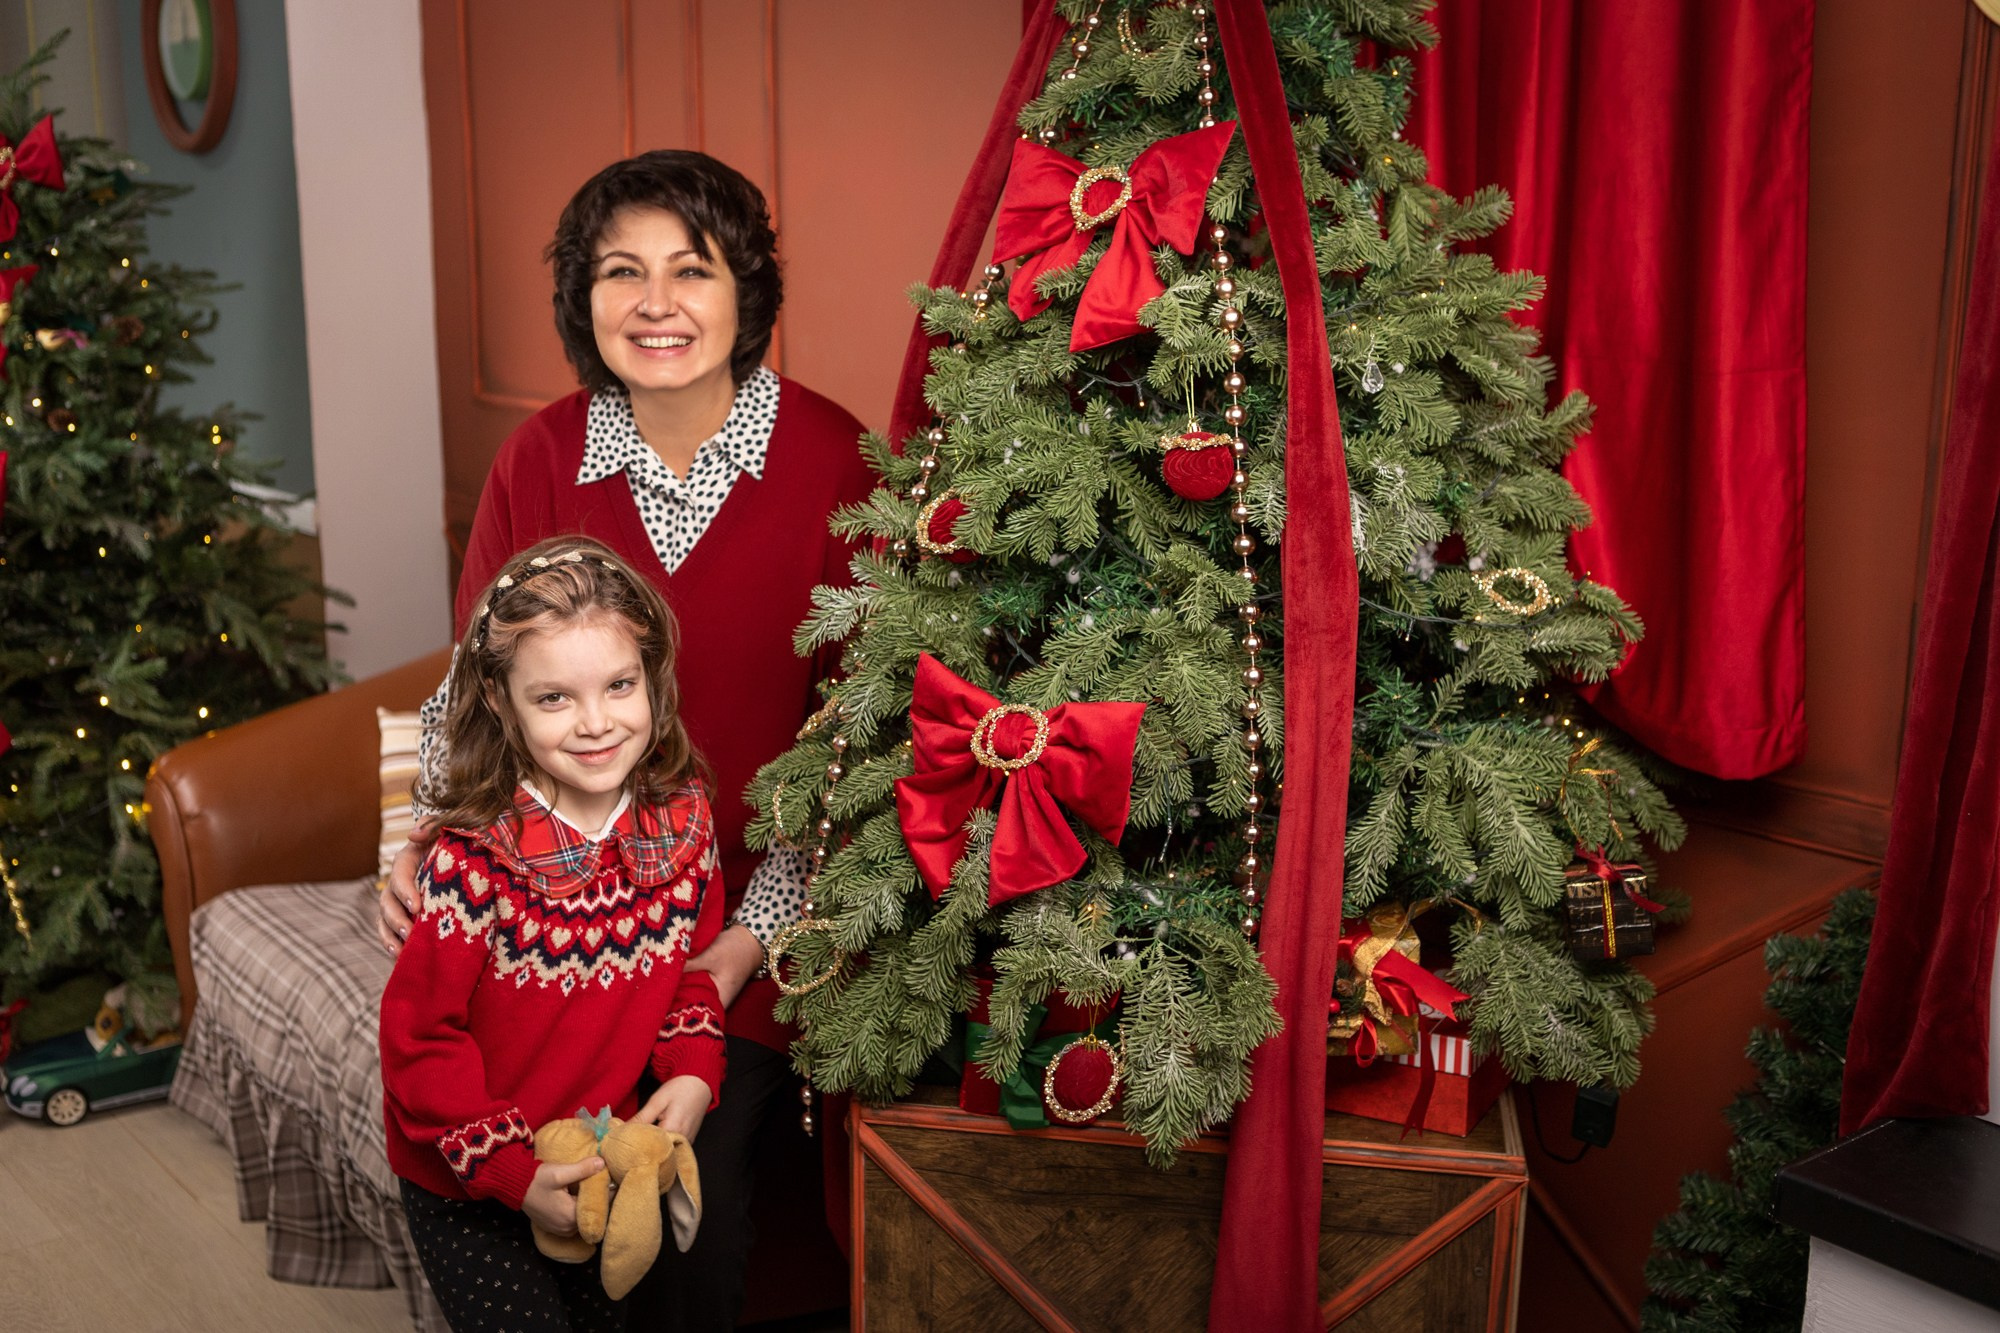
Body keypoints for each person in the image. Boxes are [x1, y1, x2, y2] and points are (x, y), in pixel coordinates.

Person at [379, 149, 877, 1328]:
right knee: (524, 1173)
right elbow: (469, 695)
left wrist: (742, 950)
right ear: (581, 299)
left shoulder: (836, 461)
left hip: (754, 924)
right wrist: (409, 841)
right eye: (620, 272)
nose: (656, 304)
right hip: (556, 917)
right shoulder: (538, 458)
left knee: (690, 1239)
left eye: (690, 270)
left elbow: (865, 755)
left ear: (744, 290)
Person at [381, 537, 724, 1333]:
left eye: (619, 685)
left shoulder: (686, 820)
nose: (598, 723)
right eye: (555, 698)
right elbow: (418, 1038)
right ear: (501, 704)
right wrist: (506, 1169)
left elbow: (688, 973)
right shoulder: (473, 861)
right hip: (466, 1180)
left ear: (651, 676)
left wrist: (696, 1068)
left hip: (598, 1162)